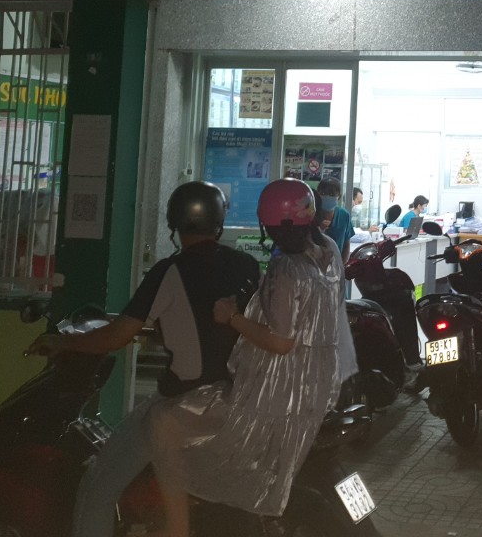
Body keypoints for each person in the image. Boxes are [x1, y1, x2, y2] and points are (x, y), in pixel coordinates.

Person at [27, 181, 260, 537]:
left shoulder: (171, 271)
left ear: (174, 222)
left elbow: (117, 336)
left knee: (98, 485)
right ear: (218, 220)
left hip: (184, 404)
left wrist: (64, 342)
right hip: (239, 401)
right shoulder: (247, 265)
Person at [146, 177, 357, 537]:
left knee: (161, 421)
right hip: (318, 388)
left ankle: (176, 528)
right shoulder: (328, 252)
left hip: (276, 395)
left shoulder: (286, 268)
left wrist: (232, 317)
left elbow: (281, 342)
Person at [315, 177, 352, 260]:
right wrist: (319, 230)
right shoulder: (312, 214)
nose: (327, 196)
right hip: (315, 263)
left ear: (339, 197)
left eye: (332, 194)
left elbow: (346, 244)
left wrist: (342, 264)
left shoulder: (344, 215)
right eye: (323, 193)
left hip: (337, 262)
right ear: (318, 195)